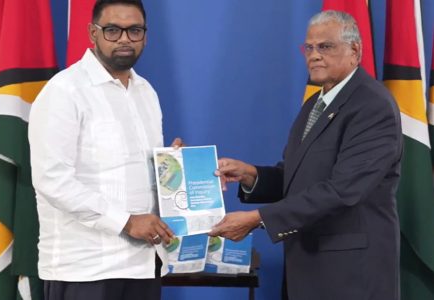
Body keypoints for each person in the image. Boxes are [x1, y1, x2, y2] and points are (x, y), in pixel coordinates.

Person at [209, 10, 402, 300]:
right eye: (309, 47)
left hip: (350, 276)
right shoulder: (315, 104)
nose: (314, 55)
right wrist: (252, 175)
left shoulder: (372, 105)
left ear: (355, 50)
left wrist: (258, 218)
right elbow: (297, 176)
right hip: (308, 269)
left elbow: (342, 191)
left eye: (325, 46)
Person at [28, 1, 182, 299]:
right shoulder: (64, 91)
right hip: (86, 269)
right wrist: (125, 221)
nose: (124, 39)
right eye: (113, 30)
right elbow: (51, 179)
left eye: (134, 30)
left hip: (145, 264)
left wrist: (175, 165)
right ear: (92, 33)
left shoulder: (146, 92)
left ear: (145, 36)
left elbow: (141, 171)